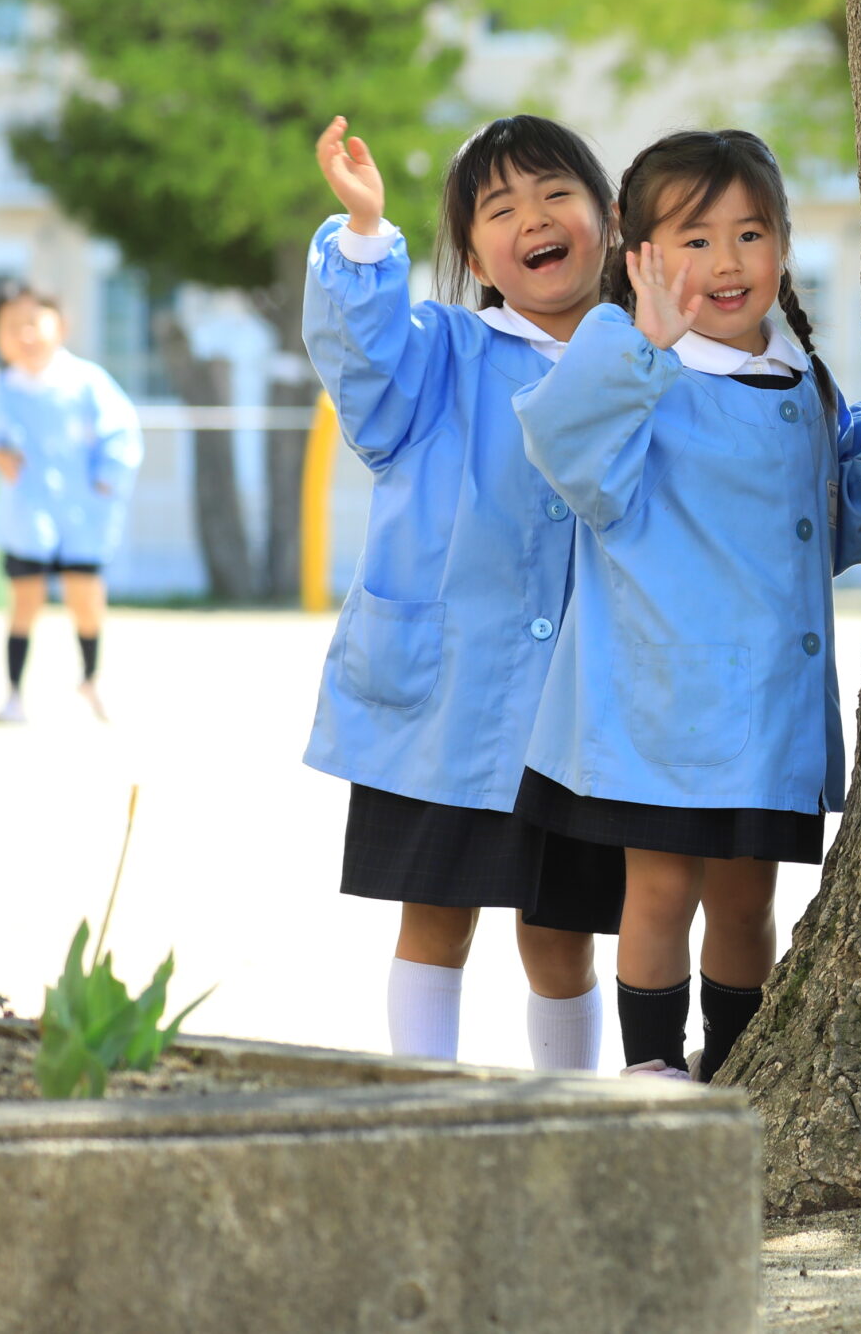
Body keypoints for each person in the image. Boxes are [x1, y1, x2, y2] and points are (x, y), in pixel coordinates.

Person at [513, 130, 861, 1081]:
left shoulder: (798, 378)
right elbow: (570, 455)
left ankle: (730, 1061)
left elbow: (822, 527)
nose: (726, 263)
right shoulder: (630, 359)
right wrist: (644, 345)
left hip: (765, 707)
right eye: (696, 239)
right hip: (659, 704)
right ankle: (648, 1067)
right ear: (640, 255)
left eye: (750, 234)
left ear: (785, 247)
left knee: (748, 896)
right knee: (661, 886)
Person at [303, 113, 626, 1073]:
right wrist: (364, 233)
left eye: (555, 193)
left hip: (579, 711)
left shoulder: (644, 362)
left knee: (561, 932)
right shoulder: (439, 353)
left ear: (608, 220)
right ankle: (427, 1103)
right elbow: (358, 353)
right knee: (433, 915)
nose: (532, 216)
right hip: (443, 704)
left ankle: (565, 1119)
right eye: (500, 207)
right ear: (477, 252)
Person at [0, 282, 144, 725]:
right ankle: (14, 694)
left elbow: (121, 433)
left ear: (59, 326)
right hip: (27, 514)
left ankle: (92, 677)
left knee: (84, 596)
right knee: (24, 600)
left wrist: (109, 477)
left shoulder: (86, 382)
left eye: (32, 322)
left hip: (83, 513)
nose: (23, 334)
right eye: (11, 326)